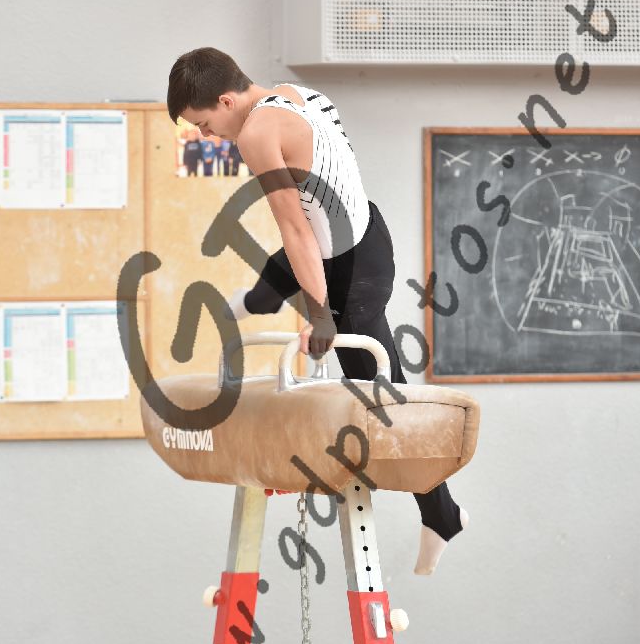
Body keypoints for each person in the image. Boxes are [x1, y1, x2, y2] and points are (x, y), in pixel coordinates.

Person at [167, 46, 467, 575]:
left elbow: (297, 231)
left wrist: (322, 314)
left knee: (383, 397)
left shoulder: (256, 136)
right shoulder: (299, 95)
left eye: (205, 124)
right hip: (365, 230)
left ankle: (442, 515)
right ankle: (251, 303)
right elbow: (317, 213)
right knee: (273, 279)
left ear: (226, 100)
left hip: (351, 269)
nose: (209, 136)